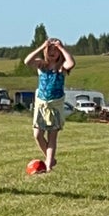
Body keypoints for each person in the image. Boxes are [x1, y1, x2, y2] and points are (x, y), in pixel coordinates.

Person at [24, 35, 74, 173]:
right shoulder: (42, 65)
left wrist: (62, 48)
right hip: (41, 104)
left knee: (52, 135)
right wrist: (41, 46)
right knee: (37, 134)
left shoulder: (61, 68)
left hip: (55, 104)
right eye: (50, 49)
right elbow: (27, 61)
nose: (53, 52)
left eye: (55, 50)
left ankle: (48, 166)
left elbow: (71, 63)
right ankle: (49, 158)